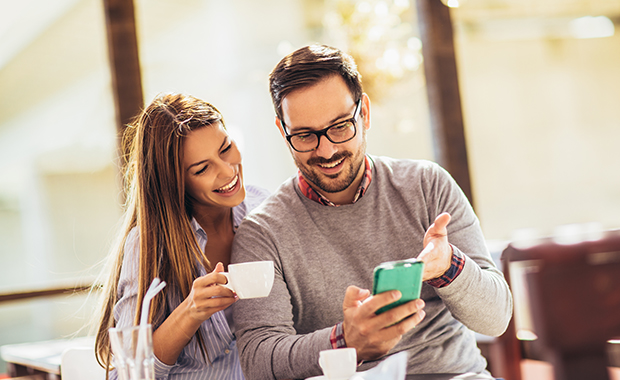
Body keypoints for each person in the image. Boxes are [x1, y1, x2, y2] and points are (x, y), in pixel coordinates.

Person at [230, 44, 513, 380]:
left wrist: (448, 265)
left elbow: (496, 319)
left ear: (363, 112)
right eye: (305, 135)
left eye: (339, 127)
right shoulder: (262, 233)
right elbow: (259, 360)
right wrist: (345, 340)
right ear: (283, 131)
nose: (327, 150)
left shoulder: (427, 185)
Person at [94, 93, 269, 379]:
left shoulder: (264, 208)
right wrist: (191, 311)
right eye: (202, 168)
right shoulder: (150, 245)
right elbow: (126, 374)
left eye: (225, 148)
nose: (227, 170)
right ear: (177, 183)